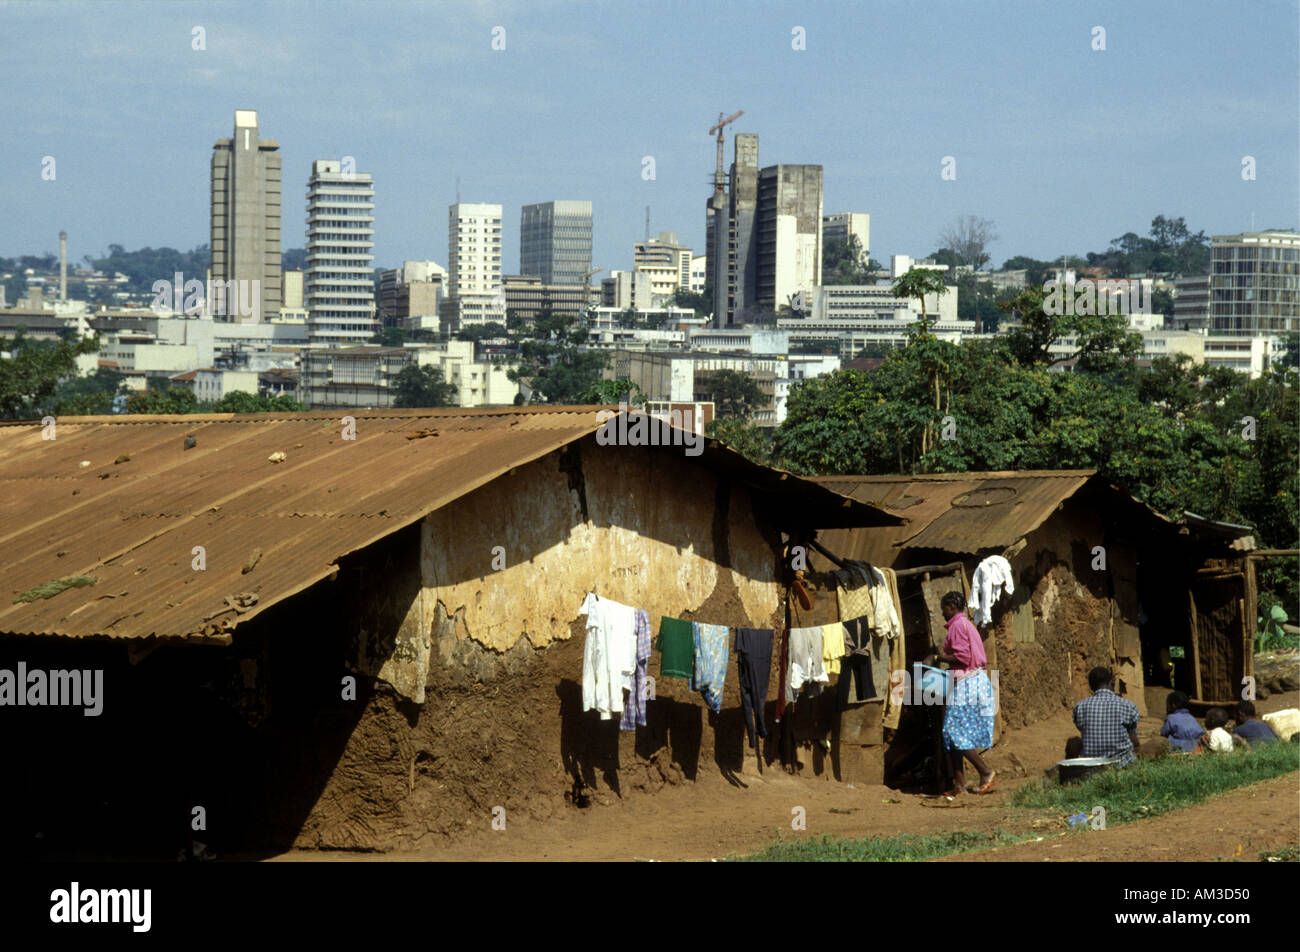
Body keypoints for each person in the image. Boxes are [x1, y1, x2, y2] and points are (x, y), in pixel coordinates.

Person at [924, 591, 996, 795]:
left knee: (953, 732)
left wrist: (937, 658)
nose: (942, 613)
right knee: (953, 733)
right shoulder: (967, 625)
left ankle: (985, 771)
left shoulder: (957, 626)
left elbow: (962, 658)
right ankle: (959, 784)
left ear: (951, 607)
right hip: (973, 682)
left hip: (968, 684)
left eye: (943, 609)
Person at [1068, 666, 1141, 767]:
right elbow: (1134, 740)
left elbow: (1083, 729)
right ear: (1111, 682)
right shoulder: (1128, 706)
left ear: (1091, 686)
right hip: (1121, 764)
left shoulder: (1080, 707)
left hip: (1092, 766)